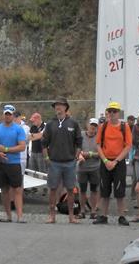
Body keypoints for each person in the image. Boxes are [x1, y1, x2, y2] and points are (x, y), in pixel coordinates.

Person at [42, 96, 83, 224]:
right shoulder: (50, 124)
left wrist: (77, 155)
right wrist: (46, 157)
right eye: (56, 105)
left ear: (66, 107)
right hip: (54, 162)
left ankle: (71, 216)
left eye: (60, 105)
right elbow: (43, 143)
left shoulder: (73, 123)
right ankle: (52, 216)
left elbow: (79, 142)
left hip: (70, 162)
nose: (57, 107)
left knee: (71, 189)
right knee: (53, 189)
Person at [94, 101, 133, 226]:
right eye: (110, 111)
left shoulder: (124, 126)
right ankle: (103, 216)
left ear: (118, 113)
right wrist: (105, 160)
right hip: (105, 162)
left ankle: (121, 216)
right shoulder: (103, 126)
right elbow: (98, 144)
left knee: (120, 190)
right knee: (104, 190)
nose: (111, 114)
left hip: (119, 162)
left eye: (114, 111)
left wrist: (116, 161)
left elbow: (128, 146)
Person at [0, 104, 27, 223]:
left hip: (14, 163)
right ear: (3, 114)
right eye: (6, 114)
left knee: (17, 190)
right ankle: (8, 216)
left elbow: (22, 146)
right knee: (4, 190)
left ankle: (20, 216)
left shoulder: (18, 129)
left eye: (10, 114)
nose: (7, 116)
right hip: (0, 163)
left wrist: (5, 150)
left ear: (13, 115)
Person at [78, 119, 101, 219]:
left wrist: (90, 154)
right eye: (91, 126)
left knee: (94, 190)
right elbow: (76, 148)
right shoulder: (81, 135)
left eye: (95, 126)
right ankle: (82, 211)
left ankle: (93, 211)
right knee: (82, 190)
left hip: (95, 167)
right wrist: (80, 155)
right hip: (82, 167)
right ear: (87, 125)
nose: (93, 128)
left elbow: (102, 153)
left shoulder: (99, 137)